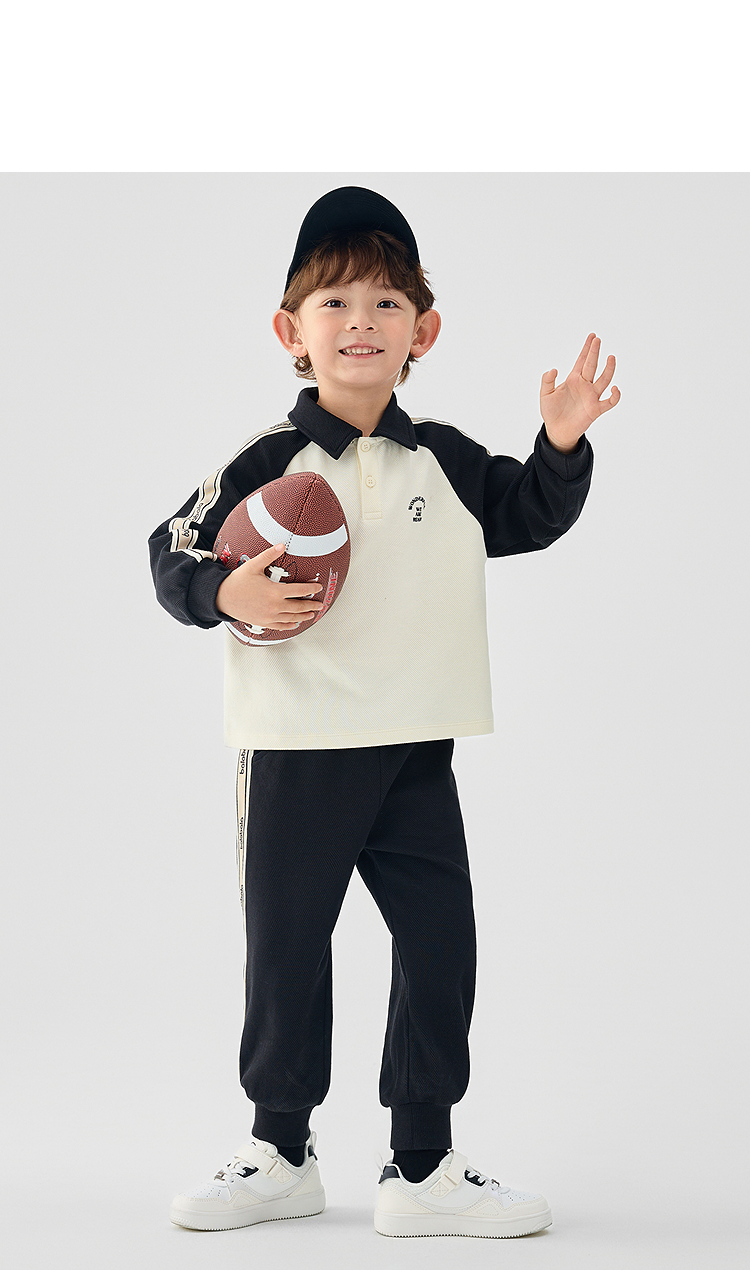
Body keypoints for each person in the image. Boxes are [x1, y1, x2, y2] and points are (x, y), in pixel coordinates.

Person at [148, 186, 619, 1238]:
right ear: (291, 332)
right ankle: (280, 1151)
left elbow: (526, 515)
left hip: (414, 749)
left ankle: (422, 1165)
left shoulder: (444, 458)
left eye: (386, 302)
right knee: (286, 949)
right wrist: (225, 590)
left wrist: (559, 447)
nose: (360, 320)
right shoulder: (265, 463)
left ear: (423, 332)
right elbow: (169, 549)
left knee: (441, 945)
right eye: (334, 302)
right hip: (297, 750)